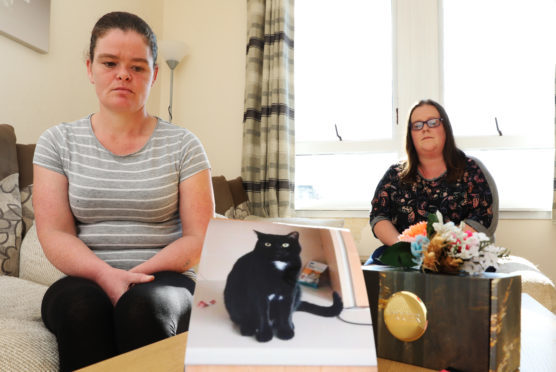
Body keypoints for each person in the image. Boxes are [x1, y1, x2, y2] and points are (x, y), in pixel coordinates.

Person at [32, 11, 214, 371]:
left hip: (165, 279)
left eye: (138, 67)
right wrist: (104, 274)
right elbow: (53, 231)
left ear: (154, 75)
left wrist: (134, 276)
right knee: (82, 309)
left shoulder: (185, 145)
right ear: (90, 68)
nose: (123, 75)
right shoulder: (57, 142)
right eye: (110, 62)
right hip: (84, 278)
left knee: (144, 306)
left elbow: (199, 236)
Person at [366, 99, 498, 264]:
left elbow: (482, 220)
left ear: (445, 128)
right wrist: (402, 246)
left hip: (460, 256)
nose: (425, 128)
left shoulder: (472, 169)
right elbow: (379, 216)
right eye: (417, 125)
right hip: (407, 255)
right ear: (410, 134)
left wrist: (439, 249)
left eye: (433, 122)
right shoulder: (395, 174)